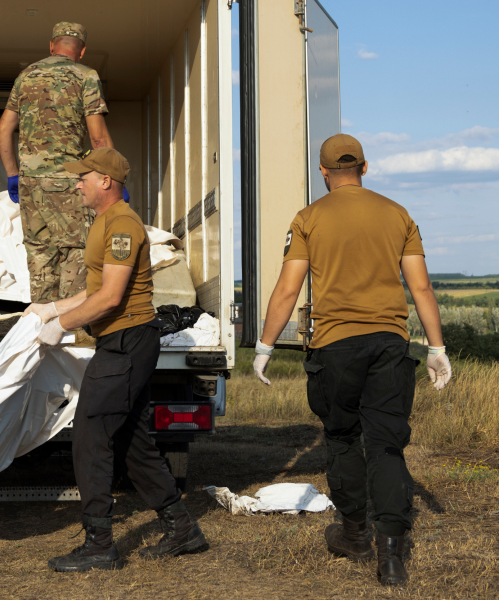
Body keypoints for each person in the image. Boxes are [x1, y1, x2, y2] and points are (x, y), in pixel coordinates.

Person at [253, 134, 452, 586]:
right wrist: (436, 348)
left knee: (343, 438)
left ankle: (355, 534)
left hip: (335, 346)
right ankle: (391, 556)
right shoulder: (398, 214)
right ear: (365, 167)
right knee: (386, 444)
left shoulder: (308, 218)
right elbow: (420, 287)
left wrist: (265, 346)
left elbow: (288, 289)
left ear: (323, 172)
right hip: (389, 344)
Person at [25, 148, 208, 572]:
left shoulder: (122, 223)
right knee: (132, 442)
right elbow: (99, 289)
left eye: (83, 177)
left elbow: (111, 298)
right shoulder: (105, 223)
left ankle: (99, 543)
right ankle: (182, 529)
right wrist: (51, 307)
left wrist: (62, 325)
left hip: (126, 342)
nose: (77, 183)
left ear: (106, 181)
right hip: (124, 342)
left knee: (90, 434)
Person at [0, 21, 114, 303]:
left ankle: (42, 324)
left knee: (40, 253)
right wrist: (113, 178)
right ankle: (71, 331)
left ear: (51, 46)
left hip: (29, 184)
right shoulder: (86, 76)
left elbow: (2, 130)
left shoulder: (26, 76)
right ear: (81, 51)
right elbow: (98, 140)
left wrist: (14, 175)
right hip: (68, 182)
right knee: (76, 252)